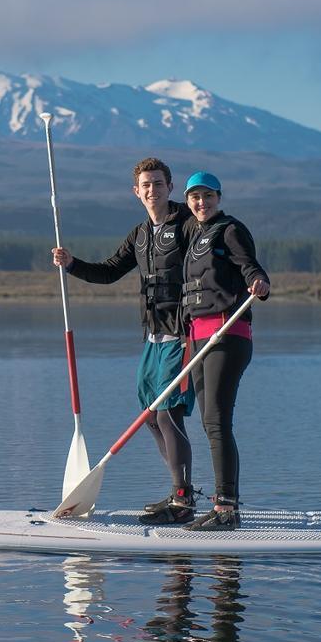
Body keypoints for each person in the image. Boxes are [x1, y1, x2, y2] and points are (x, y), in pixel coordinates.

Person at [51, 157, 198, 525]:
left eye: (158, 184)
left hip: (183, 335)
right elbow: (109, 272)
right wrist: (71, 264)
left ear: (170, 187)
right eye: (145, 185)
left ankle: (183, 502)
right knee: (150, 415)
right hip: (152, 336)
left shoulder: (188, 225)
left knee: (169, 412)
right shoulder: (140, 234)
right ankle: (180, 492)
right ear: (136, 192)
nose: (152, 191)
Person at [178, 171, 270, 531]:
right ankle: (215, 504)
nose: (201, 203)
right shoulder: (193, 233)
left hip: (227, 335)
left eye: (207, 196)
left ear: (219, 196)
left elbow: (249, 266)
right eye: (194, 197)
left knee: (217, 422)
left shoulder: (230, 229)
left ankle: (226, 509)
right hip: (199, 339)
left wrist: (258, 282)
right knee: (208, 421)